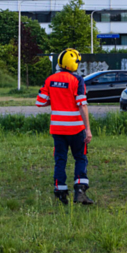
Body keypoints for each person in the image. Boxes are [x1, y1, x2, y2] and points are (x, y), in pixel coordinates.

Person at [36, 49, 94, 206]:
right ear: (73, 63)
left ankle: (60, 192)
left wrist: (55, 100)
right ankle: (80, 191)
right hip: (76, 129)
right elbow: (82, 105)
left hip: (57, 129)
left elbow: (40, 102)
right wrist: (87, 129)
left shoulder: (50, 79)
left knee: (60, 160)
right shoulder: (77, 80)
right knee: (80, 158)